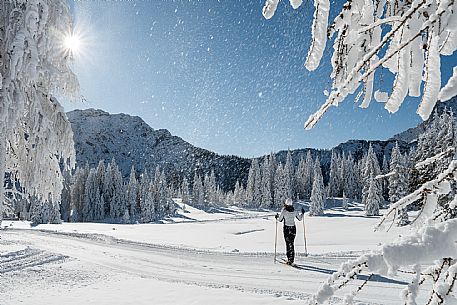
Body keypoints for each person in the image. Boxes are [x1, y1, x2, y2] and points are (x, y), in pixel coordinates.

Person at [275, 198, 305, 265]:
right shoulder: (294, 211)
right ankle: (291, 259)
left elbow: (280, 220)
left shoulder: (284, 211)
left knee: (288, 243)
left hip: (286, 229)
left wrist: (276, 217)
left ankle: (290, 259)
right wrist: (302, 213)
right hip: (293, 228)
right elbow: (299, 219)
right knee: (291, 243)